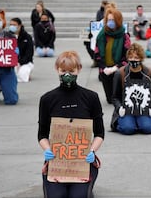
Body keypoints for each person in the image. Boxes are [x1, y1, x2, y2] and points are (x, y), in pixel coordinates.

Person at [38, 51, 105, 198]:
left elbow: (99, 133)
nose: (67, 75)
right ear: (57, 69)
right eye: (63, 71)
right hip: (57, 161)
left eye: (71, 71)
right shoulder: (47, 99)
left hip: (83, 161)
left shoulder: (91, 98)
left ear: (79, 69)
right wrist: (47, 149)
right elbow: (42, 134)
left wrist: (92, 151)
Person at [111, 43, 151, 135]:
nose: (133, 60)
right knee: (128, 129)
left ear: (141, 58)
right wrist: (119, 107)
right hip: (125, 109)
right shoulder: (120, 73)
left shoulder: (149, 73)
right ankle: (123, 123)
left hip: (143, 109)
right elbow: (114, 96)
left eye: (136, 58)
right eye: (131, 57)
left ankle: (138, 123)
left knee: (148, 129)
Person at [94, 8, 131, 104]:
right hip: (105, 70)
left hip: (119, 69)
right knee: (110, 100)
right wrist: (104, 67)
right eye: (109, 20)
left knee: (119, 98)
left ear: (118, 20)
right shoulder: (102, 35)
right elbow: (97, 54)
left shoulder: (124, 36)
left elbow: (127, 56)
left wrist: (115, 68)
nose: (110, 22)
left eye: (113, 20)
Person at [9, 17, 34, 82]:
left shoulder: (27, 37)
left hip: (25, 62)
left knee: (23, 76)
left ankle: (27, 73)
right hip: (10, 62)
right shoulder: (7, 36)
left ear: (19, 26)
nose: (12, 26)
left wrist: (20, 62)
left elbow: (29, 53)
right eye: (11, 25)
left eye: (14, 25)